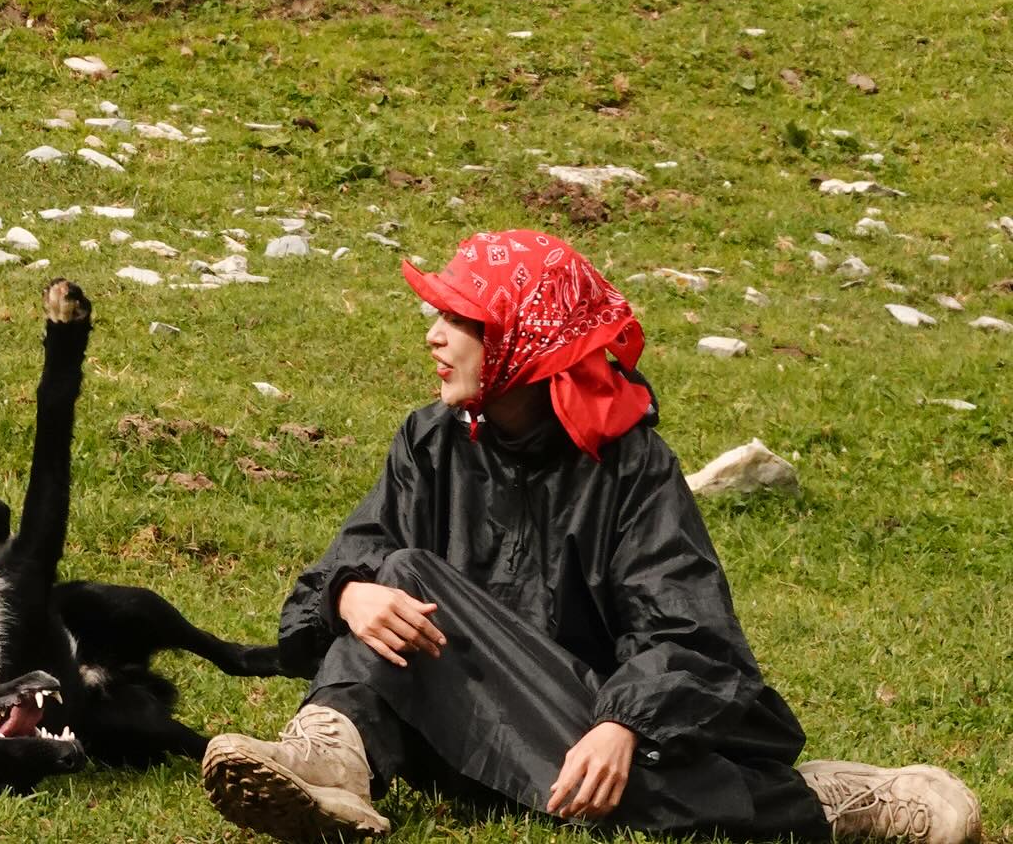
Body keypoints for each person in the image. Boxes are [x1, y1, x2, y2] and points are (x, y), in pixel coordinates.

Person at [202, 230, 983, 844]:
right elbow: (331, 580)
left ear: (524, 335)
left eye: (461, 319)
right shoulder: (428, 442)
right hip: (445, 722)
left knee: (411, 576)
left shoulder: (629, 467)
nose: (434, 337)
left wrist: (623, 723)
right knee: (388, 579)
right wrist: (349, 593)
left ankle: (834, 800)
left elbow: (692, 637)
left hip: (583, 723)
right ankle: (329, 753)